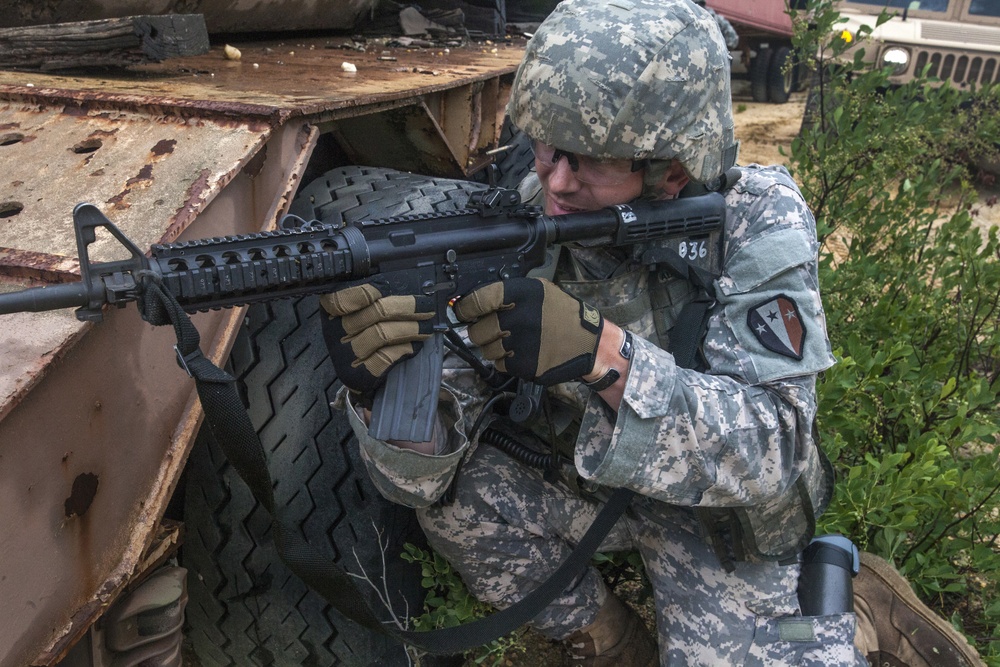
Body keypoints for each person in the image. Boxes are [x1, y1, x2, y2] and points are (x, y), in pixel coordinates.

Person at [320, 1, 984, 665]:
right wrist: (386, 395)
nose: (552, 180)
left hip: (715, 509)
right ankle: (612, 644)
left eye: (586, 163)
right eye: (545, 148)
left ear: (674, 168)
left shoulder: (754, 220)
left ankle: (851, 616)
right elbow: (420, 481)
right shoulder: (526, 212)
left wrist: (601, 355)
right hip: (587, 476)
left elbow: (773, 449)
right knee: (459, 502)